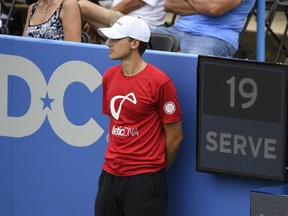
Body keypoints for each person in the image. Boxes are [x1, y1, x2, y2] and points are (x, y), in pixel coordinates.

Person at [96, 15, 183, 216]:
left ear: (134, 43)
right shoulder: (109, 76)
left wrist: (153, 169)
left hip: (145, 180)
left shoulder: (160, 82)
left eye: (116, 39)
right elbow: (114, 121)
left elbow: (175, 137)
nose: (109, 43)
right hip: (109, 174)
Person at [152, 0, 256, 56]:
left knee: (191, 65)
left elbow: (214, 8)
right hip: (178, 30)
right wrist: (207, 6)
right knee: (140, 42)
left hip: (214, 36)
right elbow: (169, 4)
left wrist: (210, 7)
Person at [78, 0, 166, 43]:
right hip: (122, 20)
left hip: (139, 25)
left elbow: (135, 2)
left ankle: (72, 51)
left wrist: (97, 16)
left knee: (81, 6)